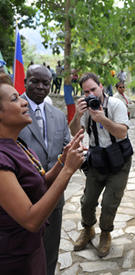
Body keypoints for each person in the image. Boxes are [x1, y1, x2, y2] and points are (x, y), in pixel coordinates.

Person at [0, 76, 84, 275]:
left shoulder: (17, 145)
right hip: (15, 257)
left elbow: (38, 183)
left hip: (32, 249)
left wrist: (62, 162)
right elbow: (30, 219)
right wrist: (68, 171)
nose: (23, 101)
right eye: (14, 99)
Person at [69, 73, 132, 257]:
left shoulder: (116, 104)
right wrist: (78, 114)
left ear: (101, 86)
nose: (91, 95)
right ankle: (88, 229)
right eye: (86, 92)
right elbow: (76, 134)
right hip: (97, 159)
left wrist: (101, 118)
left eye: (93, 89)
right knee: (87, 200)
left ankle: (105, 233)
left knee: (109, 202)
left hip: (119, 159)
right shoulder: (85, 109)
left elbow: (122, 132)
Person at [18, 65, 71, 275]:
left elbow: (65, 148)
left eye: (45, 83)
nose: (40, 87)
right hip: (22, 199)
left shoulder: (58, 116)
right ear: (25, 81)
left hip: (54, 198)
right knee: (23, 254)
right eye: (35, 81)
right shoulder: (13, 110)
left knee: (50, 252)